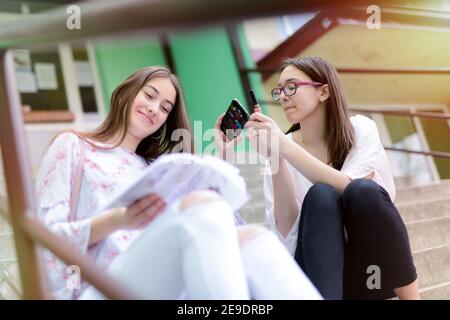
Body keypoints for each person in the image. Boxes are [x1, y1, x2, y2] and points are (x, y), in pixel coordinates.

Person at [36, 66, 322, 300]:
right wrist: (118, 220)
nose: (154, 109)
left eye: (164, 108)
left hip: (163, 282)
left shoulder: (155, 170)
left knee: (256, 240)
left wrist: (223, 156)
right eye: (149, 95)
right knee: (202, 209)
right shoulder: (74, 146)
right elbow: (42, 240)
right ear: (125, 93)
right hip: (98, 285)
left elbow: (220, 232)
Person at [215, 56, 419, 300]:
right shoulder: (281, 146)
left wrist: (285, 147)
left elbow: (350, 188)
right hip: (319, 272)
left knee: (362, 190)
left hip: (371, 271)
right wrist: (275, 157)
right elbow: (289, 227)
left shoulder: (361, 128)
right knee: (320, 195)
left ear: (323, 92)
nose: (284, 96)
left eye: (291, 86)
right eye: (280, 90)